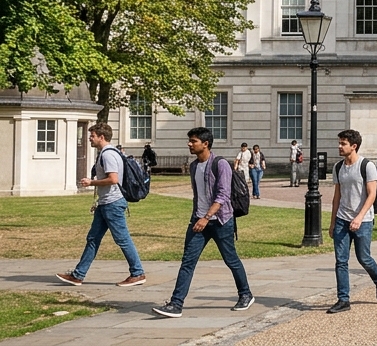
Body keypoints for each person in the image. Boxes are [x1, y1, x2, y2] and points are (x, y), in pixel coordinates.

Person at [151, 127, 253, 318]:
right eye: (189, 141)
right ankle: (176, 304)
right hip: (198, 221)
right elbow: (199, 196)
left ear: (205, 144)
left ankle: (245, 294)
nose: (189, 144)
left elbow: (223, 195)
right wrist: (199, 217)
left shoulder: (220, 164)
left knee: (231, 259)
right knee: (187, 262)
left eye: (194, 141)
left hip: (220, 221)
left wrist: (206, 218)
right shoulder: (193, 166)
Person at [57, 123, 146, 288]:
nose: (90, 139)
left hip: (112, 203)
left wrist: (91, 182)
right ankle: (78, 275)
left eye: (92, 136)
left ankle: (137, 273)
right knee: (93, 238)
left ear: (101, 137)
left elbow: (113, 179)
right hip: (105, 203)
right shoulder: (108, 153)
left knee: (122, 239)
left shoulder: (108, 155)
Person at [324, 129, 377, 313]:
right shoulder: (338, 167)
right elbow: (337, 196)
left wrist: (359, 217)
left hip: (363, 220)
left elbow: (372, 194)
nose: (339, 146)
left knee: (364, 258)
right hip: (342, 219)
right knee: (341, 261)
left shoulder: (366, 166)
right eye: (339, 143)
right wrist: (333, 221)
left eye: (343, 143)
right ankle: (343, 299)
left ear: (354, 146)